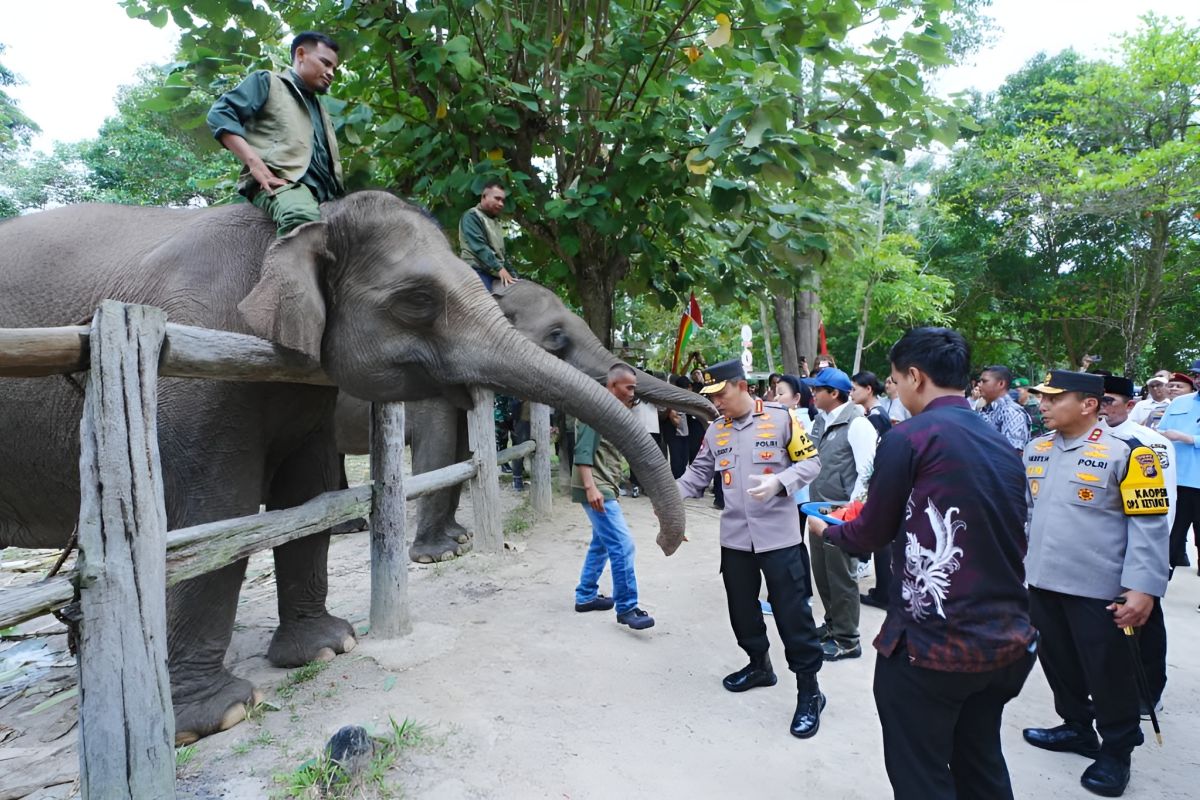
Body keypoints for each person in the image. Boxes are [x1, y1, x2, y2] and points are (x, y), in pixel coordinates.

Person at [821, 327, 1036, 800]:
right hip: (1005, 643)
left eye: (895, 382)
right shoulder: (1001, 442)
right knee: (980, 761)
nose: (894, 392)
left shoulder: (911, 437)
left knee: (920, 773)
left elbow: (871, 533)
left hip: (934, 647)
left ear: (914, 377)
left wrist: (829, 531)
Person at [1021, 370, 1169, 798]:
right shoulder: (1037, 449)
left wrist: (1143, 589)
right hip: (1044, 583)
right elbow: (1027, 516)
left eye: (1053, 398)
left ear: (1088, 404)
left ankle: (1117, 751)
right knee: (1060, 665)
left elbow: (1150, 526)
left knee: (1110, 675)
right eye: (1041, 399)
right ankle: (1076, 728)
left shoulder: (1130, 452)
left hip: (1100, 591)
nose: (1043, 405)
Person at [675, 359, 827, 738]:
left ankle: (810, 690)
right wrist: (667, 498)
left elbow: (811, 463)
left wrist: (780, 483)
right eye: (710, 397)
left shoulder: (781, 419)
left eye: (721, 394)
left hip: (779, 538)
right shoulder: (715, 431)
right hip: (736, 539)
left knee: (793, 614)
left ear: (742, 386)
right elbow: (696, 476)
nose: (716, 403)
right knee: (742, 610)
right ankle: (759, 665)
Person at [207, 32, 344, 237]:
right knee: (301, 218)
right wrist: (255, 163)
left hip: (327, 197)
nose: (331, 72)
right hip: (282, 185)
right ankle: (280, 270)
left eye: (334, 68)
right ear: (300, 54)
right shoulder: (267, 81)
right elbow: (220, 114)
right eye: (325, 63)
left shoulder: (321, 110)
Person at [1099, 374, 1176, 714]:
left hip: (1141, 547)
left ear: (1129, 405)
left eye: (1108, 402)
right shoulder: (1086, 437)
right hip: (1099, 551)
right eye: (1095, 400)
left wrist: (1151, 558)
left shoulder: (1148, 443)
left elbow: (1163, 503)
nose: (1100, 409)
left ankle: (1149, 691)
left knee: (1145, 618)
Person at [802, 367, 877, 661]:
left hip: (841, 515)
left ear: (834, 394)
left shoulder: (858, 425)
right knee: (823, 573)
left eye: (817, 390)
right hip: (818, 509)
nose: (813, 394)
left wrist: (849, 513)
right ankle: (833, 625)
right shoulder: (821, 421)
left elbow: (867, 473)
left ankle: (848, 639)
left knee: (842, 578)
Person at [571, 364, 654, 630]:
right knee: (622, 544)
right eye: (628, 387)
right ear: (613, 385)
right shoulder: (594, 410)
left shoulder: (609, 411)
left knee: (603, 543)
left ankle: (585, 595)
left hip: (605, 485)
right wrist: (590, 488)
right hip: (597, 488)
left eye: (634, 387)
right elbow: (582, 452)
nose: (632, 392)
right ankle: (627, 608)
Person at [1158, 366, 1200, 572]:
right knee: (1169, 538)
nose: (1199, 379)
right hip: (1177, 481)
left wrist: (1188, 438)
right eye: (1197, 375)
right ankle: (1156, 591)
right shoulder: (1179, 402)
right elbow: (1160, 432)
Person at [459, 181, 517, 290]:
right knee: (483, 304)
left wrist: (513, 273)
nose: (501, 204)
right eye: (497, 198)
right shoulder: (472, 216)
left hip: (494, 271)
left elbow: (502, 254)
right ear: (484, 196)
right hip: (475, 270)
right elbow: (480, 247)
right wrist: (500, 269)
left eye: (503, 200)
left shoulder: (495, 221)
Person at [978, 365, 1031, 452]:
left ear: (1001, 384)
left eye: (984, 381)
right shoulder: (985, 409)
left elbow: (1012, 453)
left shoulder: (1011, 412)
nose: (979, 385)